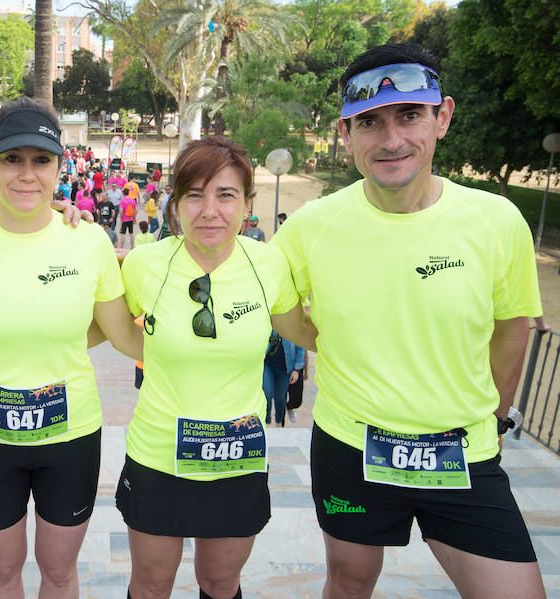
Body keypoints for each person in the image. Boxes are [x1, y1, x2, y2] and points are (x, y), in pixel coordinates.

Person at [271, 43, 546, 598]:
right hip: (352, 450)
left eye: (410, 115)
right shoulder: (310, 227)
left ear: (442, 117)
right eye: (369, 122)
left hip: (464, 452)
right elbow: (274, 306)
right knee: (349, 582)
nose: (392, 140)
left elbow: (512, 326)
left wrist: (493, 417)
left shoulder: (497, 220)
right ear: (345, 134)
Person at [0, 96, 143, 598]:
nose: (26, 175)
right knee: (3, 572)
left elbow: (122, 334)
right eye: (12, 159)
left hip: (70, 436)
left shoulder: (87, 241)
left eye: (41, 160)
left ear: (60, 167)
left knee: (59, 572)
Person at [116, 136, 317, 599]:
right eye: (194, 194)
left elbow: (304, 332)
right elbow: (100, 327)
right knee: (150, 586)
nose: (210, 210)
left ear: (248, 204)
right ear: (175, 203)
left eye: (226, 195)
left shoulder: (269, 265)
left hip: (236, 460)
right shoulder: (144, 265)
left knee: (221, 583)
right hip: (157, 457)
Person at [262, 330, 304, 426]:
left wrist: (296, 370)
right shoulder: (270, 320)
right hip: (268, 365)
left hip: (286, 369)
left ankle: (278, 422)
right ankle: (267, 421)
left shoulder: (292, 325)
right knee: (267, 394)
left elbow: (301, 348)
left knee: (280, 398)